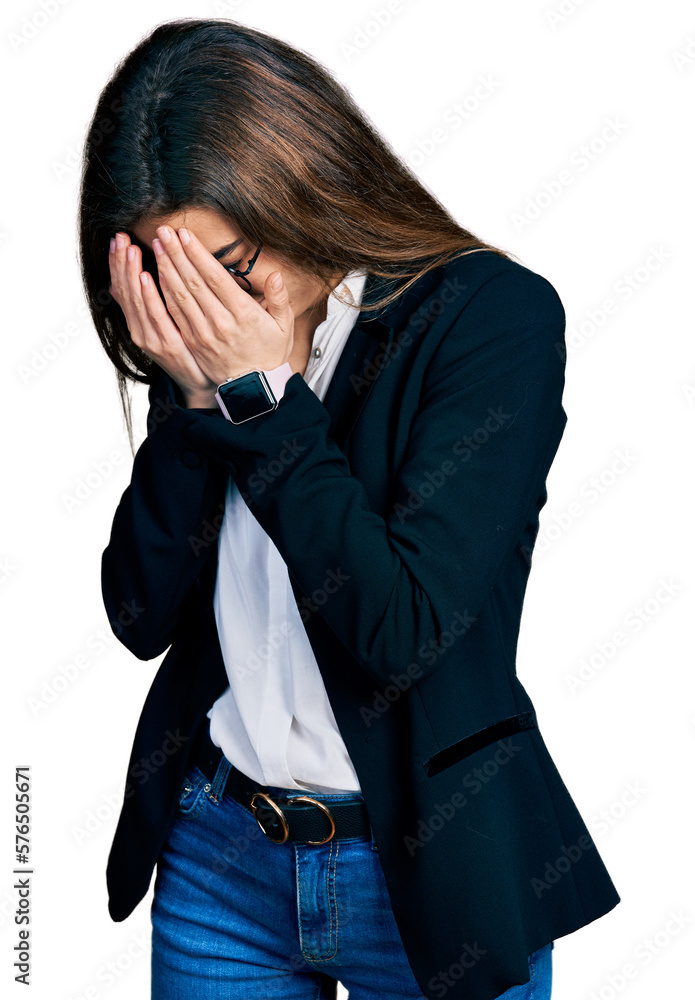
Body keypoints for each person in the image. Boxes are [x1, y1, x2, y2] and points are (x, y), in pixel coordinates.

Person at [80, 17, 621, 1000]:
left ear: (301, 183)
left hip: (428, 870)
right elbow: (138, 614)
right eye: (172, 289)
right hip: (222, 857)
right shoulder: (206, 359)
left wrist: (260, 400)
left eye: (231, 267)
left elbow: (401, 629)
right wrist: (189, 403)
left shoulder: (488, 320)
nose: (207, 311)